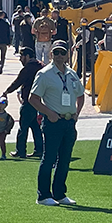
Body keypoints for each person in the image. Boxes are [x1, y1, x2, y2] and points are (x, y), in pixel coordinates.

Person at [28, 40, 84, 206]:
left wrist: (77, 113)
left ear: (67, 54)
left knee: (65, 159)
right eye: (56, 52)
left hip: (69, 121)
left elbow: (81, 95)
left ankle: (60, 193)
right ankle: (43, 195)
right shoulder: (44, 74)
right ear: (51, 54)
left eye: (62, 52)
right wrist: (49, 113)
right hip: (53, 121)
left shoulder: (71, 74)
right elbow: (33, 98)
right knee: (49, 158)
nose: (60, 56)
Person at [2, 47, 44, 158]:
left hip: (29, 101)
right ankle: (39, 149)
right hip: (39, 100)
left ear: (27, 56)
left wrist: (6, 91)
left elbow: (18, 81)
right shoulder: (41, 66)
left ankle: (21, 151)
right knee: (35, 126)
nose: (21, 59)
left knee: (23, 127)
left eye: (22, 56)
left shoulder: (28, 68)